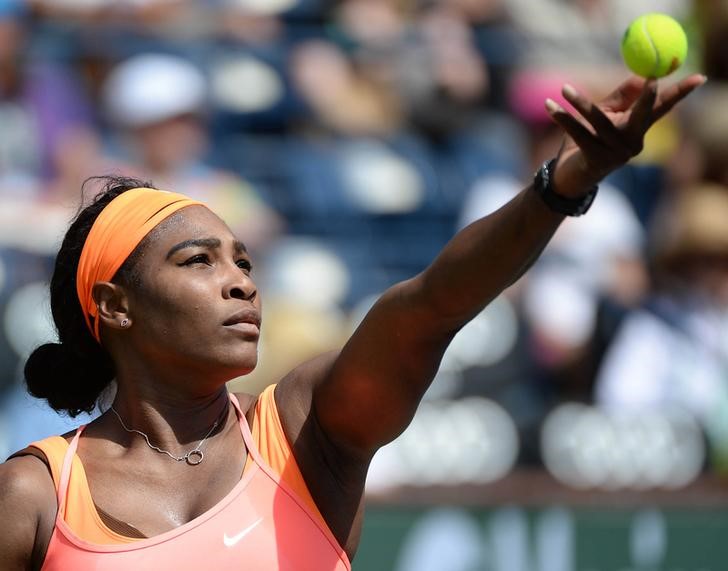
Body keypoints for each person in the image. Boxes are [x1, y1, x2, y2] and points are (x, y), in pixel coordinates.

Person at [0, 73, 704, 570]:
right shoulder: (35, 494)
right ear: (116, 305)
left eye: (243, 259)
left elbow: (432, 303)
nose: (241, 280)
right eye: (198, 261)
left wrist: (563, 185)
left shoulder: (308, 432)